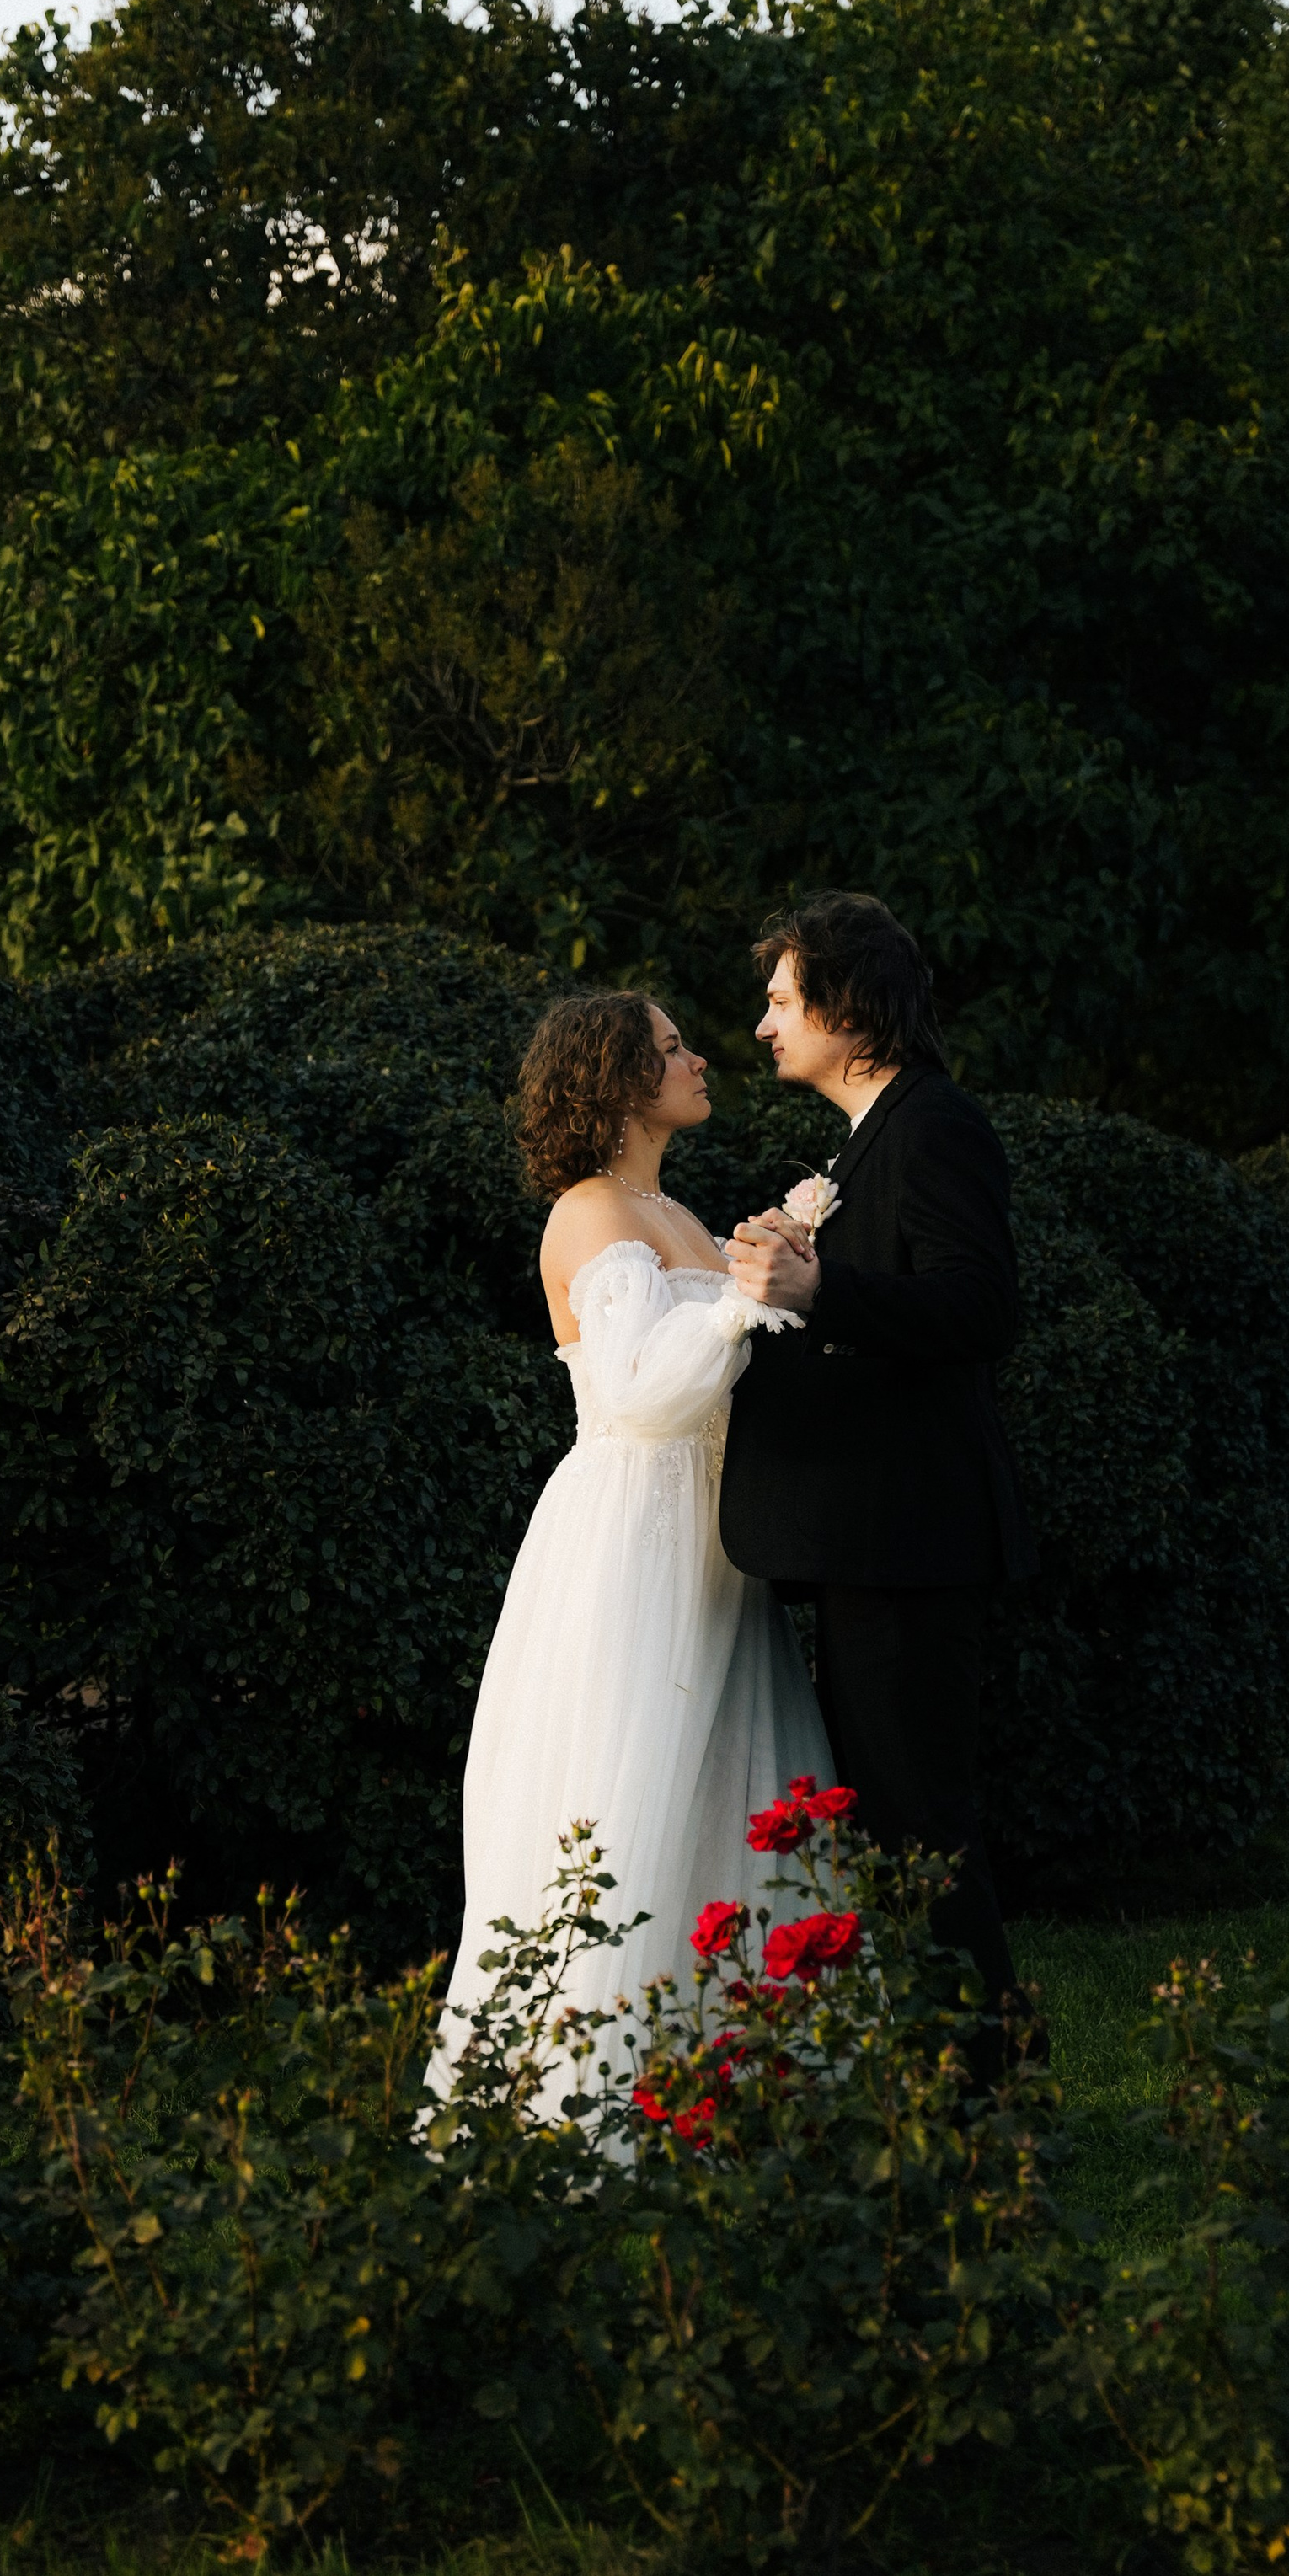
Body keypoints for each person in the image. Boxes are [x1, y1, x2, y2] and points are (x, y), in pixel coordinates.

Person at [436, 990, 832, 2113]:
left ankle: (730, 2082)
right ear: (615, 1081)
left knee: (720, 1784)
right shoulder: (587, 1214)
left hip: (712, 1542)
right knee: (627, 1791)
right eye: (671, 1049)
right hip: (633, 1539)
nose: (700, 1057)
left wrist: (772, 1278)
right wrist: (736, 1308)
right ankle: (587, 2098)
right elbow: (638, 1393)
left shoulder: (680, 1215)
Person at [719, 892, 1038, 2038]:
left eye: (781, 1001)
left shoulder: (935, 1124)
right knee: (901, 1830)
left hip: (914, 1539)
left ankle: (983, 2096)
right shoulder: (876, 1136)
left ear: (849, 1010)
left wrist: (821, 1290)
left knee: (924, 1828)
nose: (763, 1026)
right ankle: (945, 2076)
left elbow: (980, 1305)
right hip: (875, 1539)